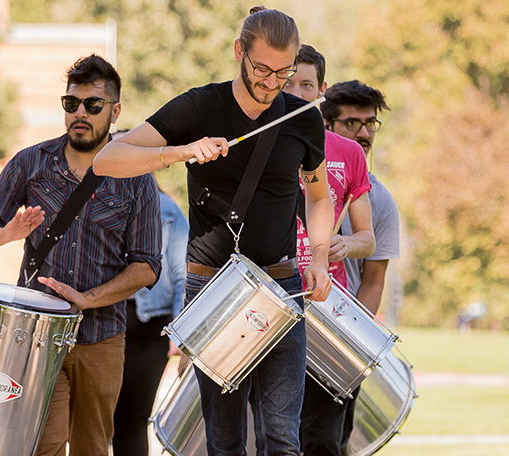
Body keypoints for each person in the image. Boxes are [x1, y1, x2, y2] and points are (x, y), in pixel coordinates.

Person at [94, 6, 334, 453]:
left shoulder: (304, 118)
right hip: (211, 286)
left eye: (283, 73)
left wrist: (318, 256)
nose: (270, 83)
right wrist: (180, 151)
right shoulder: (200, 105)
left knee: (282, 439)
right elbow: (108, 159)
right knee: (225, 442)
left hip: (282, 283)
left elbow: (319, 196)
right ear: (238, 51)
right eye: (261, 69)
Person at [0, 54, 161, 456]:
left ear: (115, 110)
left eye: (93, 105)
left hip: (102, 337)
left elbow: (147, 266)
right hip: (34, 337)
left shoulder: (136, 176)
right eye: (71, 104)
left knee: (92, 447)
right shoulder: (32, 162)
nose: (80, 113)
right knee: (41, 444)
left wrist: (87, 299)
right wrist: (2, 234)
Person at [285, 46, 379, 456]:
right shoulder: (252, 144)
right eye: (288, 83)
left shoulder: (349, 153)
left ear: (320, 92)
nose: (296, 92)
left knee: (324, 440)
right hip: (269, 303)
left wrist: (346, 243)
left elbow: (368, 238)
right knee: (274, 434)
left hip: (328, 308)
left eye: (306, 84)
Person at [109, 190, 187, 456]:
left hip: (150, 326)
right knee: (95, 419)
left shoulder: (167, 209)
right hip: (102, 320)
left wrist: (180, 330)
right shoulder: (96, 199)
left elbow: (183, 276)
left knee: (131, 420)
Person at [321, 80, 398, 313]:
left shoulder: (382, 201)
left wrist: (353, 340)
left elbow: (373, 283)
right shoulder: (294, 178)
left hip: (340, 318)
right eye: (352, 123)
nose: (364, 134)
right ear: (326, 125)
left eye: (371, 124)